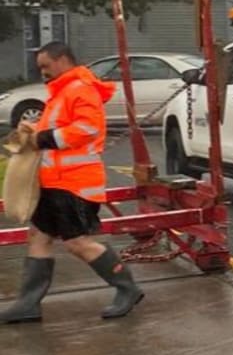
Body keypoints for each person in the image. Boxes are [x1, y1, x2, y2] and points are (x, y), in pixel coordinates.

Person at [2, 42, 144, 324]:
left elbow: (87, 129)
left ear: (63, 60)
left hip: (74, 185)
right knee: (39, 237)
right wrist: (29, 135)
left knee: (78, 243)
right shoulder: (63, 91)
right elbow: (58, 129)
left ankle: (127, 288)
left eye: (45, 65)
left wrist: (41, 138)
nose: (42, 72)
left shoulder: (80, 89)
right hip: (55, 183)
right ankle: (28, 303)